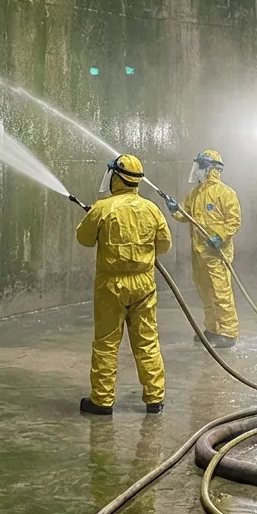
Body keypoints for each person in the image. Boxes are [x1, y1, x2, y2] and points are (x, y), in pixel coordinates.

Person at [76, 154, 171, 415]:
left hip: (111, 287)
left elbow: (84, 239)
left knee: (106, 343)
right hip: (144, 285)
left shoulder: (103, 208)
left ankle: (102, 401)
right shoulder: (152, 209)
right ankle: (154, 399)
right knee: (147, 341)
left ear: (116, 177)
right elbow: (164, 245)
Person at [164, 150, 242, 348]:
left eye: (200, 166)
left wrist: (220, 236)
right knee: (205, 291)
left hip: (217, 253)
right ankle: (213, 329)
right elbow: (186, 215)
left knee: (220, 291)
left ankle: (229, 332)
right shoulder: (195, 193)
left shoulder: (225, 193)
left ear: (210, 168)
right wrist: (175, 209)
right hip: (199, 252)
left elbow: (234, 221)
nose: (196, 170)